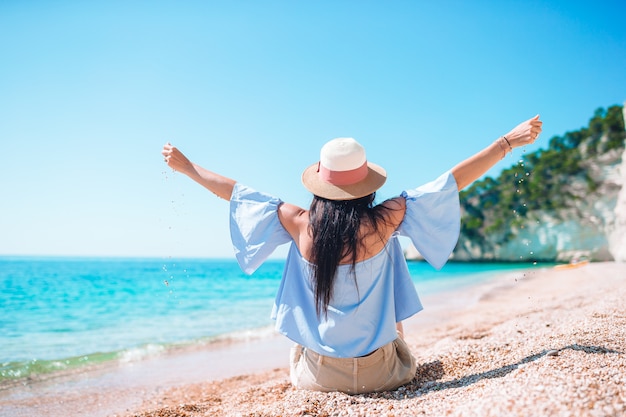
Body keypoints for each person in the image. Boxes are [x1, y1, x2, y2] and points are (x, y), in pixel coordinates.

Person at [161, 115, 543, 394]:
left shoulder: (298, 222)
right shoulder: (386, 219)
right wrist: (506, 143)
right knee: (391, 251)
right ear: (366, 185)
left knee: (303, 330)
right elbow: (452, 181)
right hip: (386, 374)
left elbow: (235, 193)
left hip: (319, 380)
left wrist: (187, 167)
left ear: (320, 184)